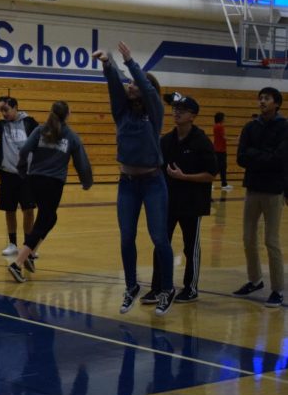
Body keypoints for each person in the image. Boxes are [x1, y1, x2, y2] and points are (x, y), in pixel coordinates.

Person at [93, 42, 175, 317]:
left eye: (134, 84)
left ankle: (167, 288)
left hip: (153, 182)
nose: (129, 86)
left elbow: (149, 90)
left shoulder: (154, 114)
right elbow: (114, 85)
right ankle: (131, 286)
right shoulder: (122, 112)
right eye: (129, 83)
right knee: (126, 237)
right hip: (127, 183)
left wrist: (130, 62)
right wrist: (108, 63)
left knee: (158, 237)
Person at [141, 94, 216, 305]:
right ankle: (158, 288)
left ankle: (190, 288)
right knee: (161, 243)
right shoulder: (166, 140)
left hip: (193, 203)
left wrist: (185, 177)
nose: (177, 112)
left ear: (193, 115)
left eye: (182, 109)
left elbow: (211, 174)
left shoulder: (201, 141)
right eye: (175, 108)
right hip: (167, 202)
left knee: (190, 246)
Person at [7, 101, 92, 283]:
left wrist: (23, 171)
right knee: (45, 219)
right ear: (68, 114)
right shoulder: (70, 136)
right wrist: (87, 181)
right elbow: (82, 163)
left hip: (34, 180)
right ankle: (18, 263)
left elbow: (24, 151)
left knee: (50, 218)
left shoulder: (40, 130)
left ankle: (30, 252)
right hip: (52, 184)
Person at [233, 87, 288, 308]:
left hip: (274, 190)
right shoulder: (250, 127)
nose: (262, 101)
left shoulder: (284, 127)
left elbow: (280, 158)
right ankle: (255, 280)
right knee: (248, 238)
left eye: (267, 98)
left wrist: (256, 155)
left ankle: (277, 289)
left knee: (271, 241)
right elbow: (241, 158)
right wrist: (263, 155)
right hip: (253, 188)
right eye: (260, 98)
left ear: (277, 103)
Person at [0, 96, 39, 256]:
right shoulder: (1, 125)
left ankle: (29, 246)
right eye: (2, 111)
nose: (4, 114)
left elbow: (40, 142)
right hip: (7, 174)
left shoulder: (29, 122)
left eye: (6, 110)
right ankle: (13, 243)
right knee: (10, 209)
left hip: (27, 175)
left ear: (16, 108)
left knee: (28, 210)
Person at [213, 112, 232, 191]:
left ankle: (224, 184)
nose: (225, 118)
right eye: (224, 117)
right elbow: (224, 137)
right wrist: (235, 139)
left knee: (222, 168)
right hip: (220, 150)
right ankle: (208, 182)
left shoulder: (216, 126)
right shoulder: (220, 126)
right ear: (221, 118)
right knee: (219, 167)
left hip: (219, 150)